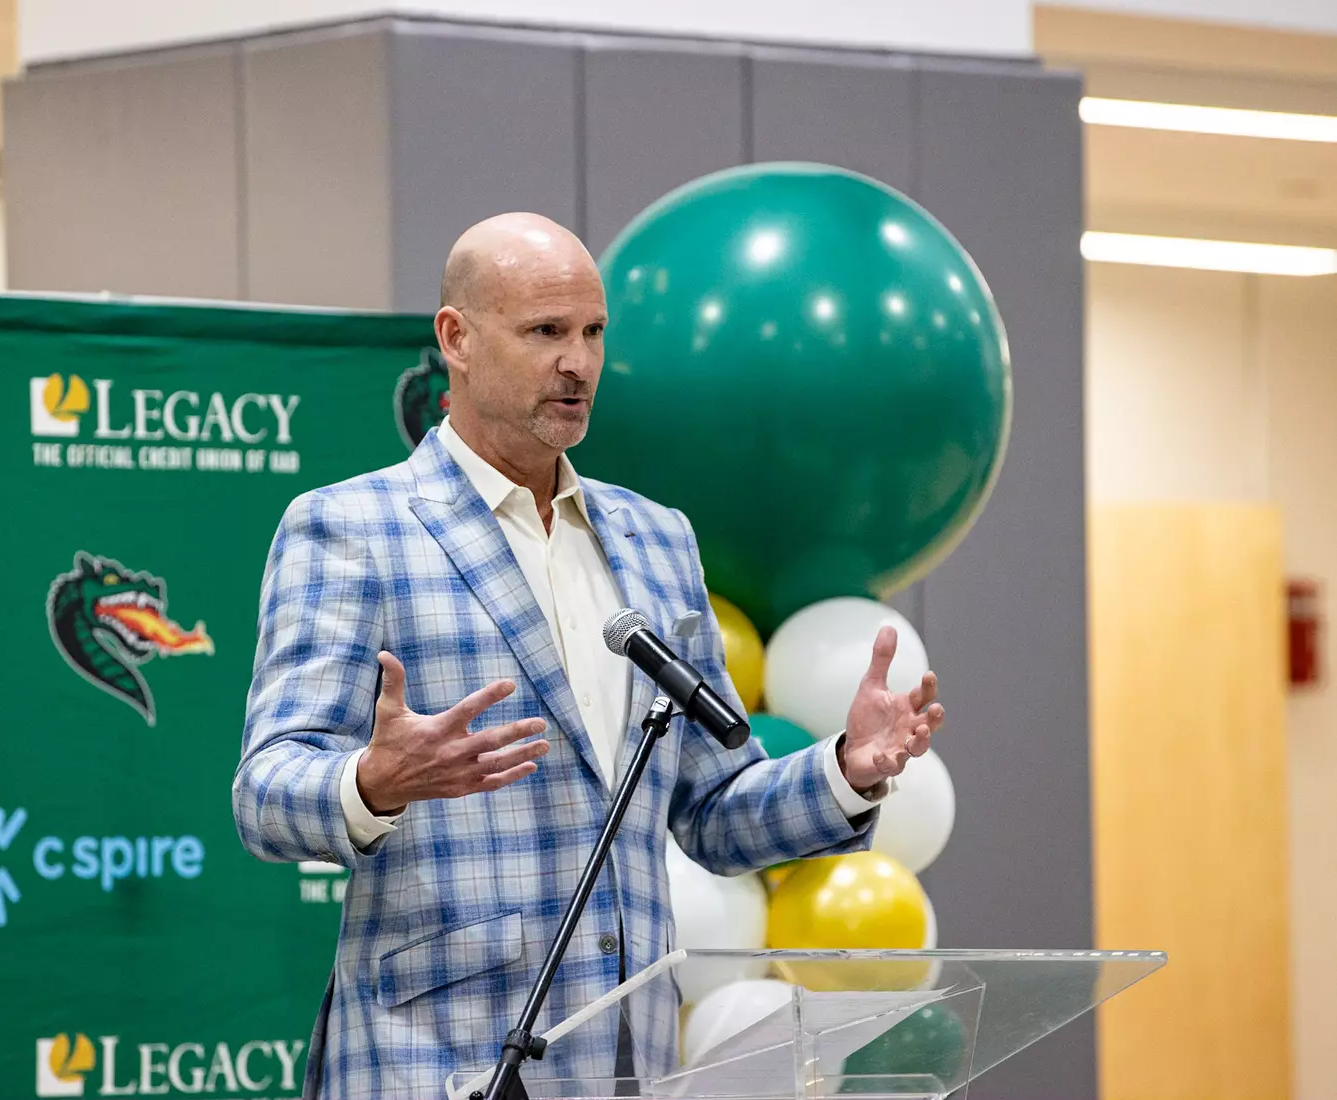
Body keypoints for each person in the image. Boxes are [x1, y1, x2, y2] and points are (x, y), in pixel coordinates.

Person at [233, 212, 945, 1100]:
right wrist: (372, 782)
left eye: (594, 332)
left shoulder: (655, 540)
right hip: (438, 1061)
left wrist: (845, 771)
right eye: (545, 332)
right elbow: (265, 794)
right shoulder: (351, 529)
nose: (579, 362)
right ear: (456, 339)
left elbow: (715, 810)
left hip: (624, 1061)